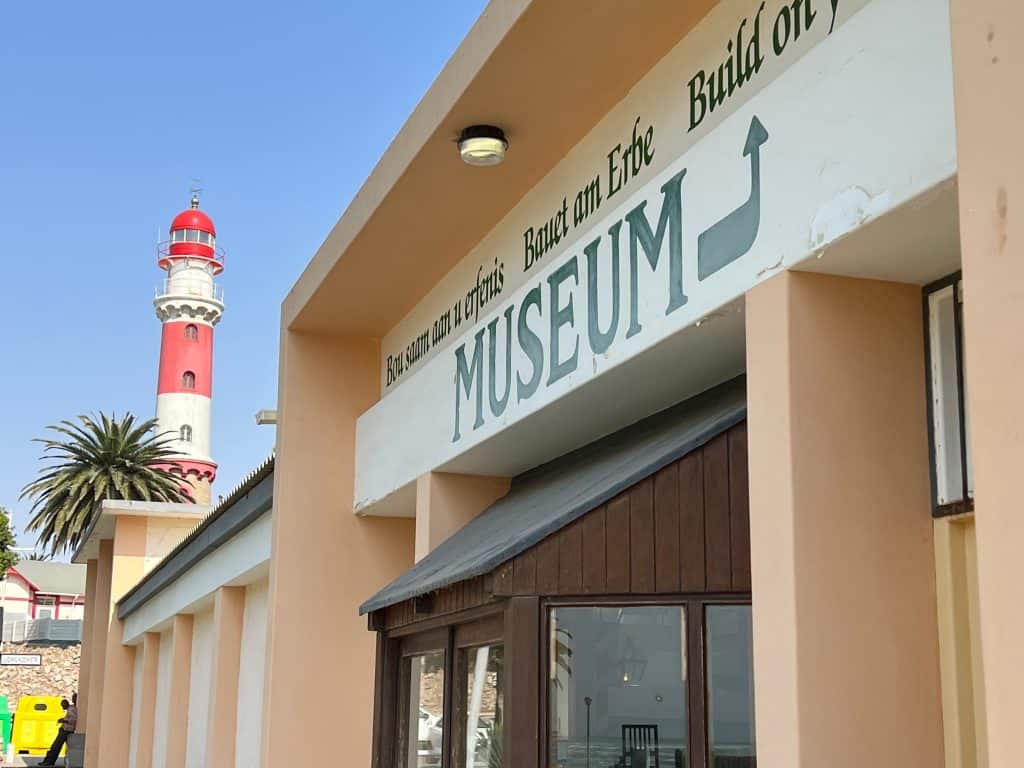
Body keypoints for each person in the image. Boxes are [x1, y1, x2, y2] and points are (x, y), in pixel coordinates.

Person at [39, 694, 76, 767]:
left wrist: (63, 720)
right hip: (64, 729)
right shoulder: (71, 708)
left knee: (56, 746)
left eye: (63, 705)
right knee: (55, 746)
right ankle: (48, 761)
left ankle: (49, 761)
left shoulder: (73, 709)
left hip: (66, 730)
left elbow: (73, 720)